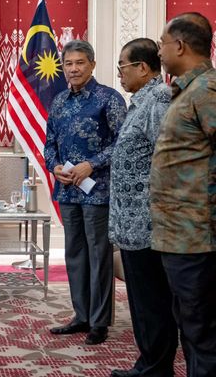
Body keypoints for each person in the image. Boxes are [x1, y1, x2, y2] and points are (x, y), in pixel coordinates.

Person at [44, 40, 127, 345]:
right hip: (67, 190)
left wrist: (91, 164)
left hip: (98, 191)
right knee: (75, 254)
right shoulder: (59, 101)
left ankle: (99, 321)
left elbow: (123, 143)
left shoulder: (109, 98)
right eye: (68, 63)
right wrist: (54, 166)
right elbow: (49, 143)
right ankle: (81, 315)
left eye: (80, 62)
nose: (74, 68)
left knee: (98, 255)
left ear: (92, 64)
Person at [151, 12, 216, 377]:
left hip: (197, 238)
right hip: (179, 236)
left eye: (162, 44)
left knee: (202, 330)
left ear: (179, 45)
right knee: (190, 326)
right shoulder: (188, 90)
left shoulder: (206, 90)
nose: (159, 51)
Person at [108, 39, 178, 377]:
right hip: (132, 224)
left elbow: (167, 159)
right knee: (142, 302)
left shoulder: (159, 100)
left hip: (148, 223)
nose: (119, 73)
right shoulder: (140, 102)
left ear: (143, 68)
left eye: (122, 66)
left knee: (153, 301)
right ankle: (150, 363)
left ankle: (156, 367)